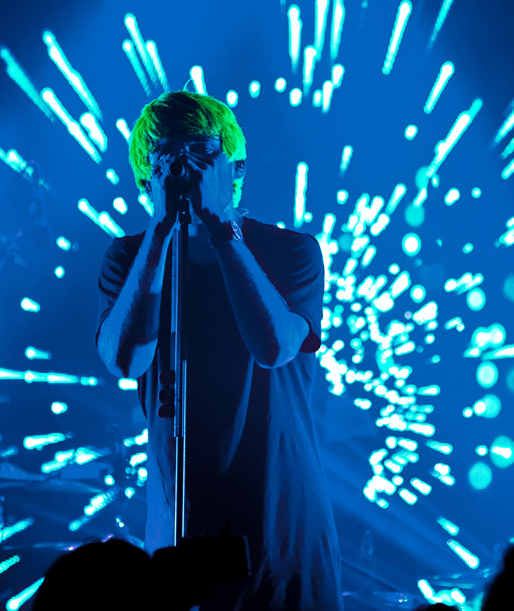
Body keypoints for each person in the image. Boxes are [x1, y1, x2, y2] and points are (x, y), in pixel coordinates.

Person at [96, 91, 342, 611]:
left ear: (235, 167)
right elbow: (124, 360)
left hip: (283, 532)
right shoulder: (128, 259)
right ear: (146, 179)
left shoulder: (291, 251)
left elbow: (273, 346)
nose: (185, 171)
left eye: (202, 154)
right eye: (168, 157)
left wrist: (221, 227)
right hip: (180, 533)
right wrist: (160, 230)